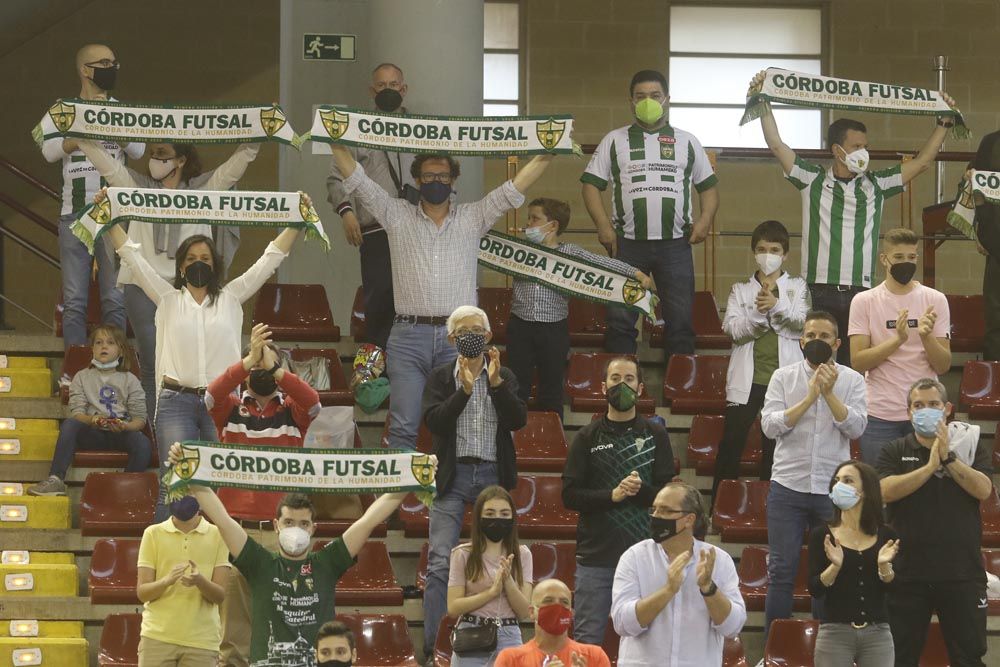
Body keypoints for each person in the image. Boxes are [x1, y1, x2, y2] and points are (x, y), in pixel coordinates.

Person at [329, 143, 553, 454]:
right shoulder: (395, 214)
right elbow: (356, 179)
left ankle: (450, 500)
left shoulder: (473, 218)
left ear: (453, 181)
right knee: (404, 426)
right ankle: (395, 501)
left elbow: (514, 188)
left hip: (458, 341)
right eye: (430, 176)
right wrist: (333, 140)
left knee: (461, 427)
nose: (437, 182)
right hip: (407, 339)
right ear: (417, 181)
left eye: (444, 176)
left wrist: (549, 153)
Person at [102, 209, 301, 521]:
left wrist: (297, 222)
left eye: (206, 258)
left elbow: (269, 260)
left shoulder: (233, 297)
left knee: (220, 486)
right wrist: (109, 217)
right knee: (174, 485)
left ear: (215, 265)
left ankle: (217, 565)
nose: (199, 263)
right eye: (192, 258)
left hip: (222, 404)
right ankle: (160, 564)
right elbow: (132, 257)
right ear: (181, 266)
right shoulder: (166, 297)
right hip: (174, 401)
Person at [752, 70, 956, 366]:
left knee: (854, 366)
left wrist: (944, 123)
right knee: (815, 362)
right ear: (838, 150)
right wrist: (763, 100)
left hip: (862, 292)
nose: (865, 152)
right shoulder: (812, 180)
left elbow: (923, 162)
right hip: (818, 289)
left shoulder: (877, 184)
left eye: (865, 145)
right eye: (857, 146)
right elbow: (777, 145)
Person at [168, 443, 428, 667]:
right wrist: (189, 471)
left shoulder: (327, 562)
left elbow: (368, 520)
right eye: (289, 522)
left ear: (314, 528)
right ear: (276, 526)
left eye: (304, 524)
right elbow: (222, 519)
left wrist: (412, 477)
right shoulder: (259, 563)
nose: (296, 529)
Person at [77, 138, 258, 421]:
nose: (154, 159)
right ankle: (157, 435)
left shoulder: (203, 190)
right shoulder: (138, 188)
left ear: (181, 160)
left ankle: (193, 429)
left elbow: (232, 170)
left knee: (188, 363)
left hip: (186, 287)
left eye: (162, 154)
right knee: (152, 361)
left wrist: (255, 137)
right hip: (142, 283)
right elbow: (108, 167)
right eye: (152, 153)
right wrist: (80, 136)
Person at [204, 323, 321, 667]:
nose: (261, 372)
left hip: (284, 534)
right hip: (236, 533)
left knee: (286, 622)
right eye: (254, 368)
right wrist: (246, 362)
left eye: (266, 367)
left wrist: (274, 368)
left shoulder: (292, 413)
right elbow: (210, 395)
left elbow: (313, 403)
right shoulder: (230, 410)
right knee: (234, 634)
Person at [581, 69, 719, 362]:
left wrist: (705, 221)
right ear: (630, 102)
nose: (648, 101)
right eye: (640, 96)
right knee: (620, 321)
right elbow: (590, 185)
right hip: (626, 245)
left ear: (667, 99)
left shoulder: (688, 141)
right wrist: (603, 227)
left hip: (676, 246)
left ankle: (680, 387)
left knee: (680, 322)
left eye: (655, 96)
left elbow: (708, 188)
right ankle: (620, 386)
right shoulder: (614, 140)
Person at [421, 305, 528, 659]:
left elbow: (517, 420)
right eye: (464, 330)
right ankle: (435, 646)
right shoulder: (440, 376)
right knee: (439, 561)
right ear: (452, 339)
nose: (472, 335)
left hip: (492, 475)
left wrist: (495, 385)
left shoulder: (505, 374)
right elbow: (433, 422)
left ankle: (495, 636)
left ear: (488, 336)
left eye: (477, 330)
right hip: (453, 474)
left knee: (496, 559)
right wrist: (463, 391)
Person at [759, 310, 867, 640]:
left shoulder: (852, 380)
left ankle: (826, 647)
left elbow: (857, 427)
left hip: (831, 490)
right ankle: (772, 647)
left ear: (836, 343)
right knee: (781, 570)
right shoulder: (783, 377)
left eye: (824, 337)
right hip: (787, 488)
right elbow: (769, 426)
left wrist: (830, 394)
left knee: (828, 571)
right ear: (801, 341)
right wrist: (809, 396)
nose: (816, 342)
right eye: (811, 336)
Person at [877, 378, 993, 666]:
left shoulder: (970, 446)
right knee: (900, 658)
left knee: (968, 658)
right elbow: (884, 490)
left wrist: (948, 459)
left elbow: (983, 490)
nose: (925, 410)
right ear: (908, 412)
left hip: (961, 573)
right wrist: (929, 468)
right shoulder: (894, 449)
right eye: (918, 405)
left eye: (933, 404)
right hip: (906, 574)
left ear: (948, 409)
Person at [561, 357, 676, 645]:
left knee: (650, 641)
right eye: (615, 378)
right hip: (596, 557)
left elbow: (668, 495)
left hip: (646, 556)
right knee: (587, 641)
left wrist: (642, 491)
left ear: (639, 388)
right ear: (603, 387)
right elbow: (569, 495)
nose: (621, 384)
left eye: (628, 379)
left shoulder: (656, 434)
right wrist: (612, 496)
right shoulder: (587, 437)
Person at [508, 197, 651, 421]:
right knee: (516, 386)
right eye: (529, 218)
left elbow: (602, 263)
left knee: (552, 388)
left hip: (553, 329)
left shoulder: (571, 253)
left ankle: (553, 437)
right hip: (520, 326)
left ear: (553, 225)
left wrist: (636, 273)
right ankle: (513, 438)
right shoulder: (519, 250)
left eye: (535, 218)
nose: (528, 224)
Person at [40, 44, 140, 353]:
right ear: (86, 70)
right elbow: (48, 152)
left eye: (114, 62)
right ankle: (75, 368)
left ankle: (116, 364)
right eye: (104, 62)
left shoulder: (122, 108)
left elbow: (138, 151)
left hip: (114, 215)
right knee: (74, 299)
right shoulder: (62, 108)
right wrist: (83, 126)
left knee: (114, 296)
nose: (112, 67)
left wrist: (108, 119)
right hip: (74, 213)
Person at [712, 220, 809, 503]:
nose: (769, 255)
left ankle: (770, 507)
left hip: (783, 381)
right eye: (763, 249)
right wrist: (758, 313)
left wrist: (776, 306)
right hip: (746, 381)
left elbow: (803, 325)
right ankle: (718, 505)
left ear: (785, 254)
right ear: (754, 253)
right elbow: (733, 331)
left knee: (775, 449)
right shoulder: (739, 289)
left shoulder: (797, 287)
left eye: (775, 249)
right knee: (731, 444)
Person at [327, 62, 413, 351]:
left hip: (418, 230)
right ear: (371, 90)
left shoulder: (423, 128)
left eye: (393, 85)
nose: (388, 90)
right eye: (381, 86)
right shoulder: (356, 129)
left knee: (416, 300)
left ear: (404, 89)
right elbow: (336, 176)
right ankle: (378, 379)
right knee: (380, 302)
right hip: (376, 230)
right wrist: (345, 211)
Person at [611, 481, 746, 665]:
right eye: (654, 509)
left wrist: (709, 589)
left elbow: (733, 627)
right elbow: (622, 623)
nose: (656, 516)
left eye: (665, 510)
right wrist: (667, 590)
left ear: (689, 519)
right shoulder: (634, 557)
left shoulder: (718, 560)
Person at [849, 228, 951, 464]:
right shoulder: (864, 301)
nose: (906, 262)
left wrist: (926, 338)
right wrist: (897, 340)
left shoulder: (935, 299)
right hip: (880, 415)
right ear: (884, 259)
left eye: (911, 257)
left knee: (927, 488)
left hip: (926, 412)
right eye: (898, 257)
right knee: (881, 490)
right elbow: (858, 361)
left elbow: (943, 365)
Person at [28, 324, 150, 496]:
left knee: (143, 443)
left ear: (121, 351)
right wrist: (91, 420)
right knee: (70, 424)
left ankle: (125, 487)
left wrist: (125, 426)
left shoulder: (131, 380)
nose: (104, 346)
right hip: (93, 433)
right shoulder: (81, 377)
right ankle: (55, 479)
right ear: (92, 349)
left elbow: (140, 420)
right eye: (99, 343)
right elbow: (77, 412)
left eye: (110, 342)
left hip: (122, 434)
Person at [807, 461, 899, 666]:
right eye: (837, 480)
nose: (839, 485)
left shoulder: (886, 534)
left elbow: (895, 587)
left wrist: (884, 567)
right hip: (835, 632)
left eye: (848, 480)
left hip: (878, 633)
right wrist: (835, 567)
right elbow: (815, 589)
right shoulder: (822, 534)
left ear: (865, 490)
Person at [134, 495, 230, 666]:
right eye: (178, 490)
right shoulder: (152, 533)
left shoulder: (218, 535)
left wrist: (200, 581)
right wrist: (166, 581)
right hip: (156, 637)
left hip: (202, 641)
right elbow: (142, 593)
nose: (183, 497)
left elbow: (219, 596)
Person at [447, 486, 533, 666]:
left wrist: (508, 581)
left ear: (512, 518)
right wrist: (491, 593)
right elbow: (453, 607)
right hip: (472, 634)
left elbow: (525, 612)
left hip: (510, 635)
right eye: (490, 513)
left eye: (504, 513)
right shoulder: (462, 554)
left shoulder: (523, 554)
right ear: (479, 517)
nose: (497, 519)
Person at [493, 578, 611, 667]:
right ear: (532, 612)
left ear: (571, 613)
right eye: (548, 601)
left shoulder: (594, 656)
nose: (557, 607)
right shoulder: (510, 659)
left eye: (564, 602)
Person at [970, 131, 1000, 360]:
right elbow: (972, 183)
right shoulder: (991, 141)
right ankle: (995, 384)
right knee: (996, 322)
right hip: (996, 245)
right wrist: (978, 229)